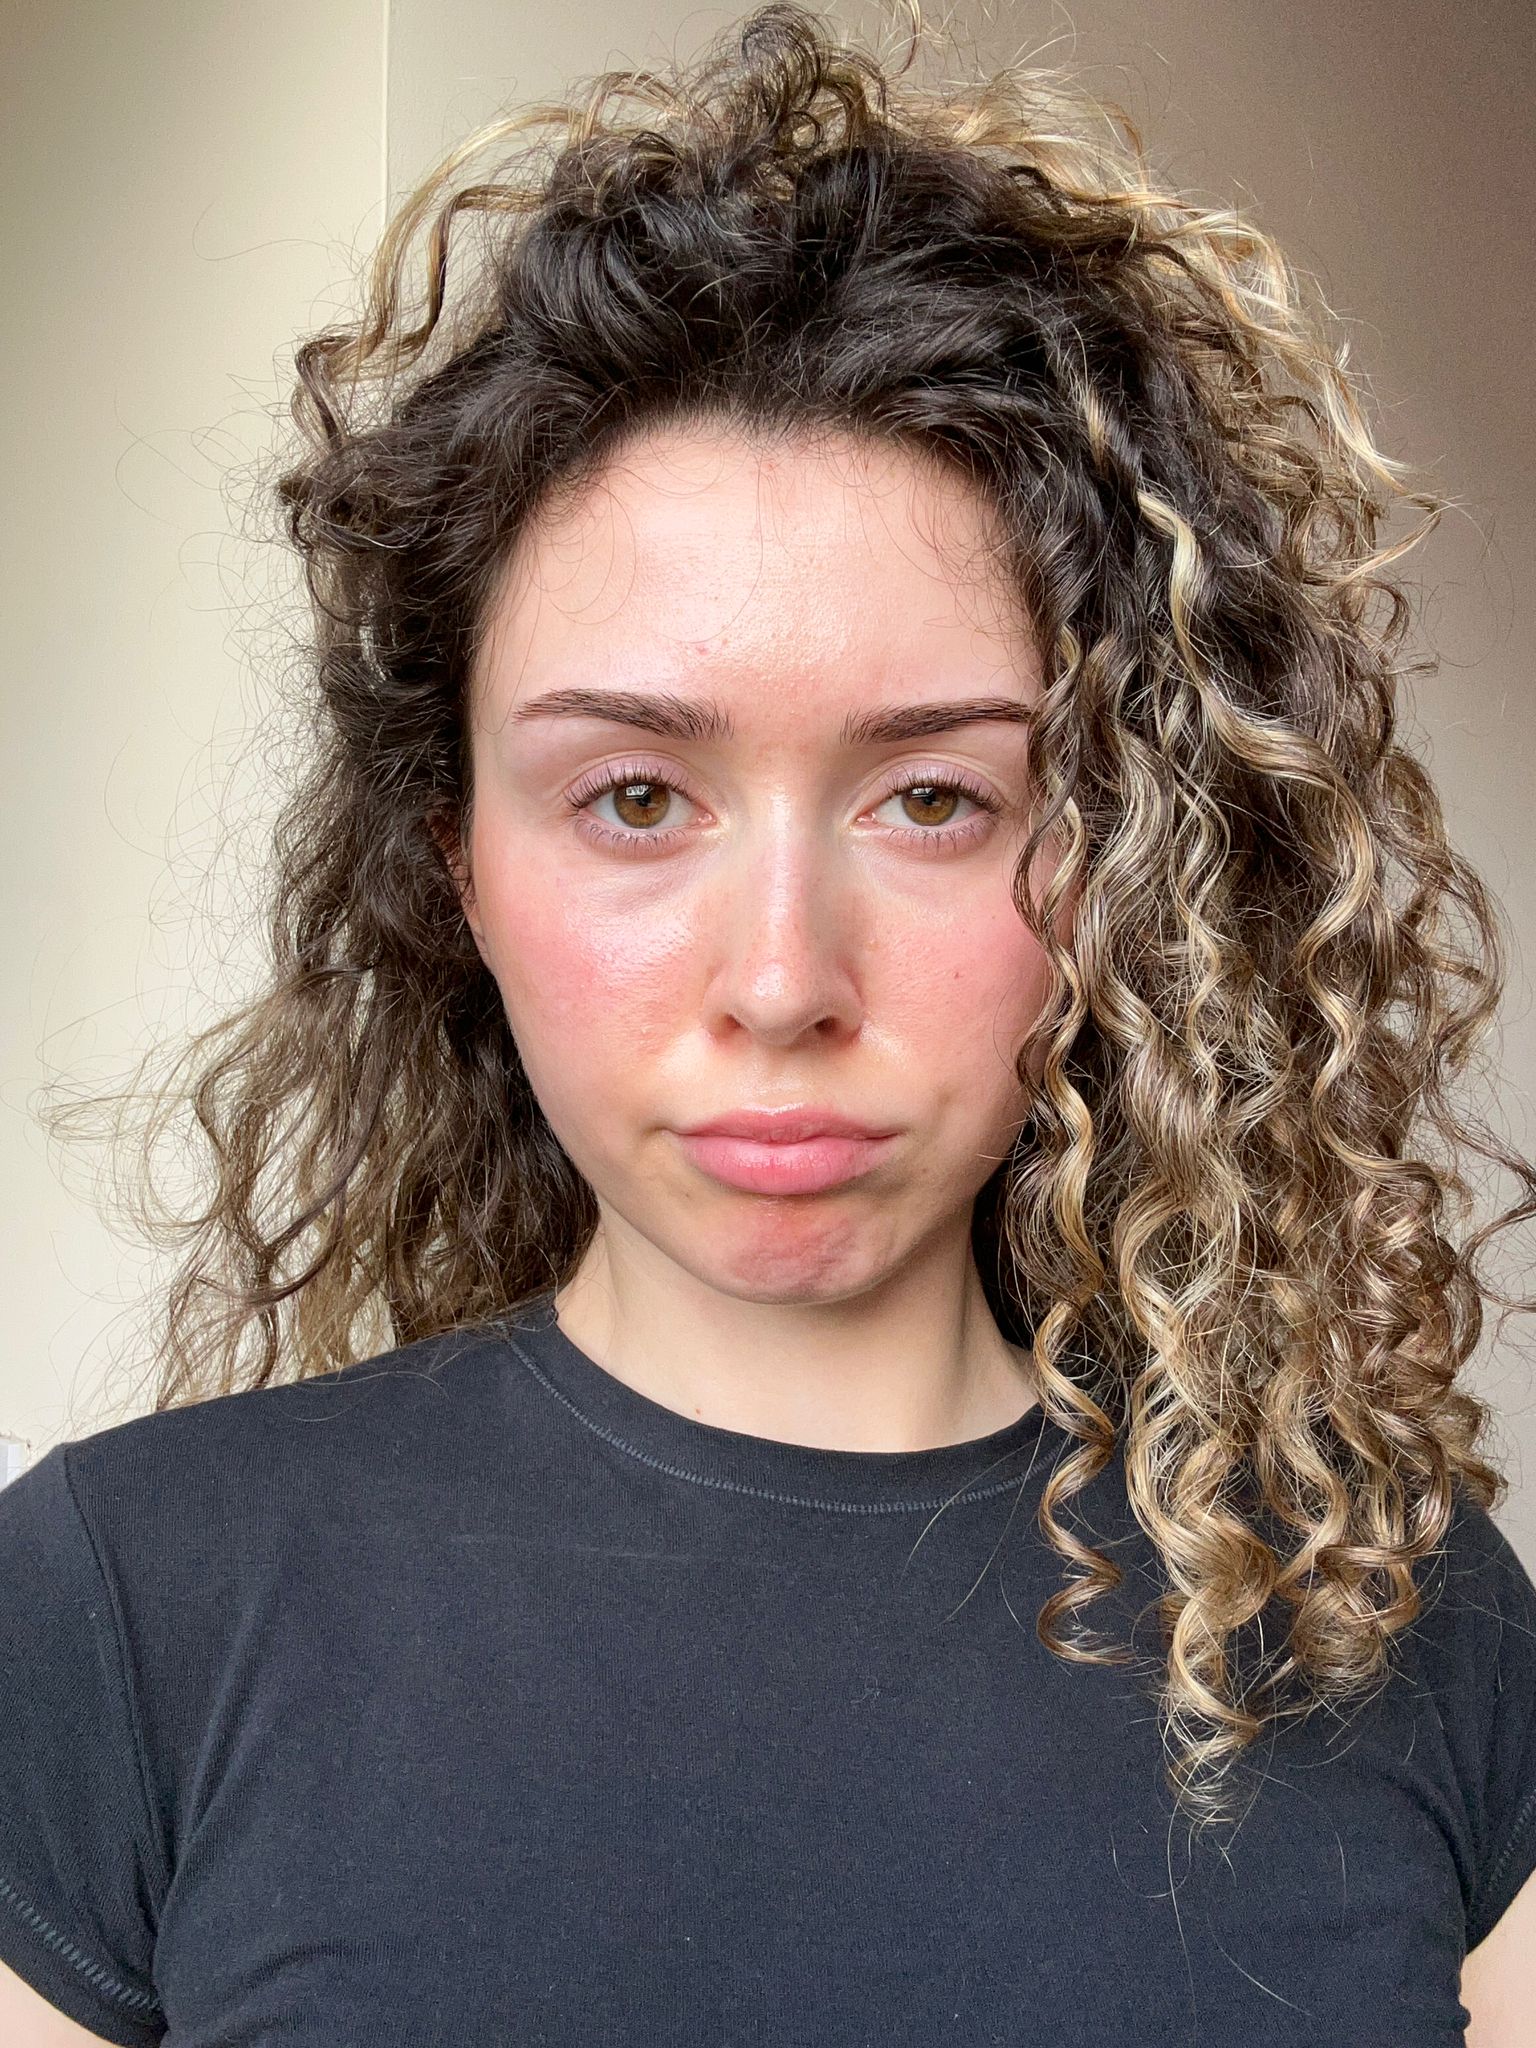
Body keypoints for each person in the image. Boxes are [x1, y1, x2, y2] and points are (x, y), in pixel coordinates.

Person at [3, 5, 1534, 2043]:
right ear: (459, 862)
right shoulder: (124, 1607)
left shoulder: (1399, 1618)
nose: (786, 979)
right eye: (638, 798)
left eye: (939, 798)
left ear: (1127, 861)